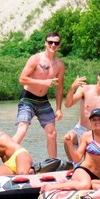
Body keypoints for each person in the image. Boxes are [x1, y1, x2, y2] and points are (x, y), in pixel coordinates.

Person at [13, 31, 66, 161]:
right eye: (50, 42)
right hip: (28, 97)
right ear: (45, 43)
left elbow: (59, 87)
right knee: (22, 128)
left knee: (52, 132)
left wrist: (59, 108)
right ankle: (7, 156)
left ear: (59, 45)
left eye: (56, 43)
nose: (53, 45)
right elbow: (22, 79)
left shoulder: (60, 65)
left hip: (43, 100)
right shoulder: (36, 59)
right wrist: (43, 82)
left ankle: (52, 162)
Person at [40, 108, 100, 194]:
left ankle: (70, 183)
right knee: (84, 185)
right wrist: (69, 144)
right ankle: (52, 187)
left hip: (96, 177)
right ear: (90, 122)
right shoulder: (87, 136)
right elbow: (77, 159)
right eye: (94, 120)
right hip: (83, 171)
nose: (97, 121)